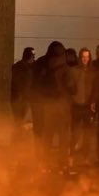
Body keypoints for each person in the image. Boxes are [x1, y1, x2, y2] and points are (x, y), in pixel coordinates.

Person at [34, 42, 74, 171]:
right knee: (63, 135)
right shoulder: (65, 67)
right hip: (62, 105)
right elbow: (73, 88)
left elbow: (36, 84)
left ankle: (45, 161)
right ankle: (62, 162)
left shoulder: (42, 63)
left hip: (48, 105)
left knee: (47, 135)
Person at [69, 47, 96, 165]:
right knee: (75, 132)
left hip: (87, 106)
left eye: (87, 57)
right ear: (80, 58)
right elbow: (70, 87)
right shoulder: (74, 71)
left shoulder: (93, 72)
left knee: (87, 133)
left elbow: (95, 89)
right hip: (76, 106)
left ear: (90, 58)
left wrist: (93, 103)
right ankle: (71, 155)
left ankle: (85, 157)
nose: (85, 59)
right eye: (83, 57)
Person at [10, 47, 35, 138]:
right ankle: (18, 139)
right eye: (33, 55)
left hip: (24, 98)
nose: (33, 58)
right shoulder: (20, 67)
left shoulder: (28, 67)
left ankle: (20, 139)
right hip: (20, 98)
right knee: (19, 120)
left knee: (22, 121)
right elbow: (18, 84)